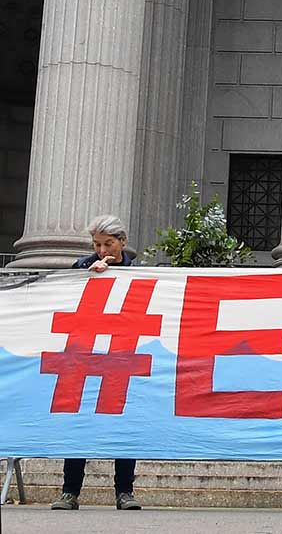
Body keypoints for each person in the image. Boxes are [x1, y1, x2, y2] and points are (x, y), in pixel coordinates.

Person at [50, 216, 143, 511]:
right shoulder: (82, 267)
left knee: (124, 424)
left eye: (108, 244)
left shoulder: (140, 272)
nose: (102, 250)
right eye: (97, 244)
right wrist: (89, 276)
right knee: (79, 422)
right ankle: (70, 491)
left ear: (123, 242)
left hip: (123, 357)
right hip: (84, 356)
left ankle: (124, 492)